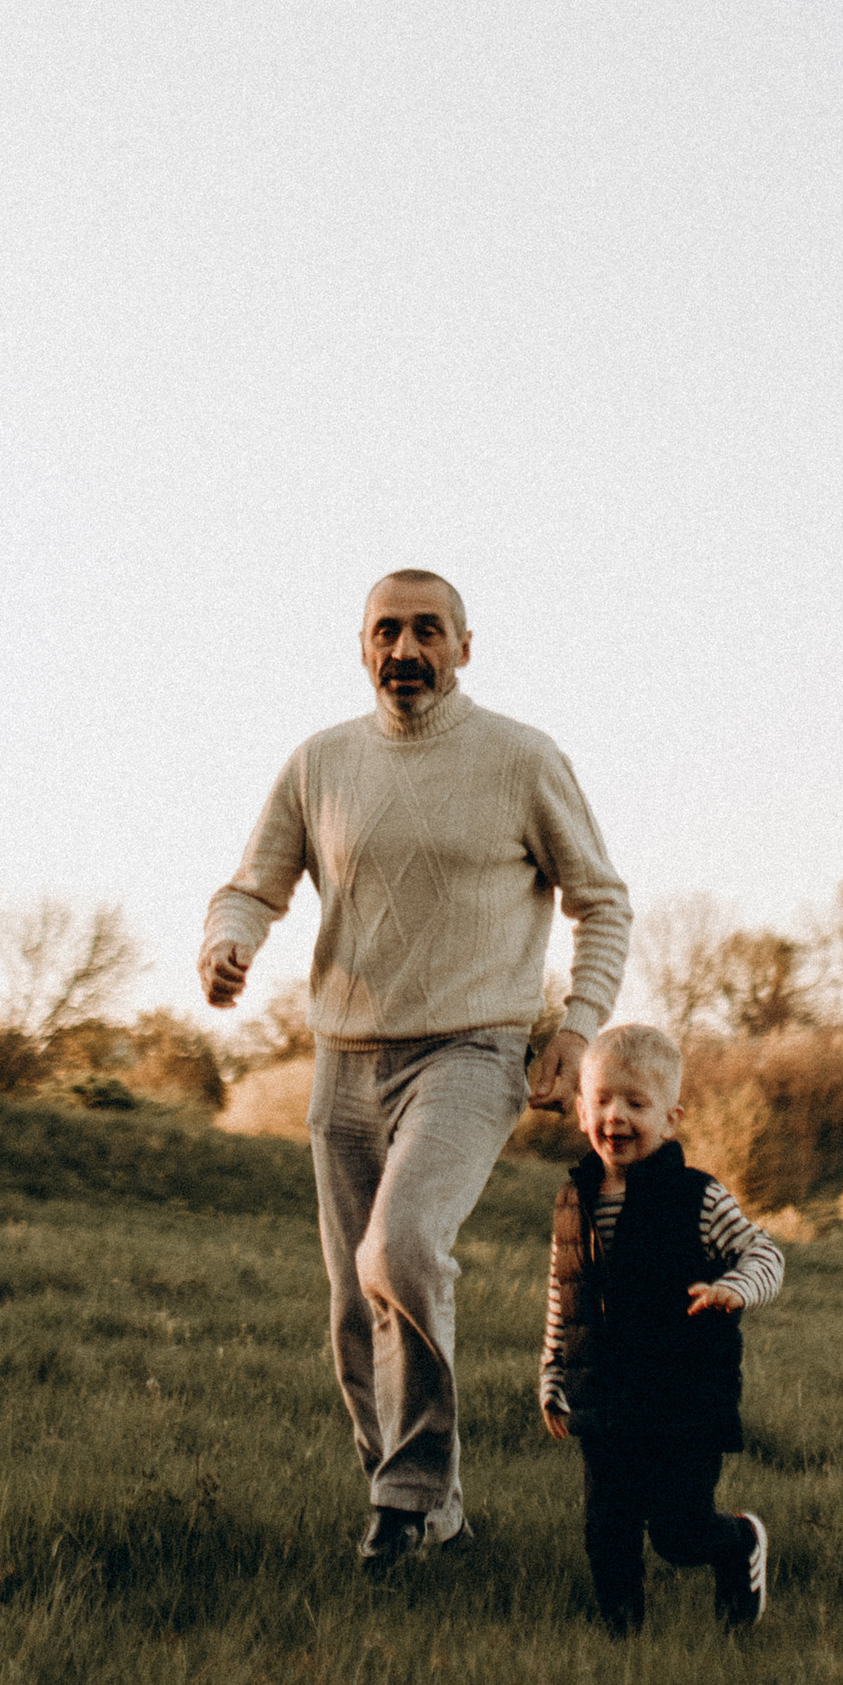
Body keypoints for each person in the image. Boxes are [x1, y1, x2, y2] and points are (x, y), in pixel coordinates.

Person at [201, 570, 631, 1570]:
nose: (406, 649)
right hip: (343, 1060)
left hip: (472, 1050)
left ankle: (411, 1492)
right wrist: (227, 941)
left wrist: (576, 1027)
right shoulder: (320, 763)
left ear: (463, 647)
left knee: (396, 1250)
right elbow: (251, 886)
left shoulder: (521, 759)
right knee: (354, 1308)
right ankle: (412, 1512)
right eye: (386, 631)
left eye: (426, 631)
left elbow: (601, 901)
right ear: (360, 647)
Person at [538, 1019, 781, 1634]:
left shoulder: (697, 1198)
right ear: (580, 1109)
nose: (614, 1116)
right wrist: (551, 1375)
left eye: (636, 1103)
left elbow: (766, 1255)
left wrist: (733, 1288)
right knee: (607, 1532)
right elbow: (562, 1297)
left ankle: (738, 1544)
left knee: (678, 1531)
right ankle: (623, 1643)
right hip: (605, 1401)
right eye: (601, 1100)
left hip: (684, 1401)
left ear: (671, 1118)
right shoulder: (574, 1200)